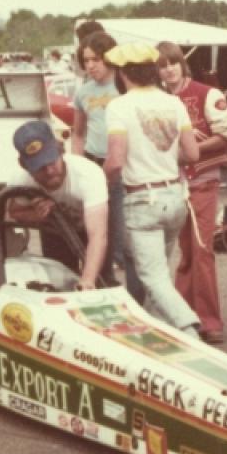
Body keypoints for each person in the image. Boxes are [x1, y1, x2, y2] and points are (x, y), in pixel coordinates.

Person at [102, 42, 202, 337]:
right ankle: (160, 331)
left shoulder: (119, 106)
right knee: (161, 275)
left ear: (123, 74)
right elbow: (192, 153)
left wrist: (101, 178)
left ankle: (188, 328)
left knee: (153, 277)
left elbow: (115, 161)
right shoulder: (174, 103)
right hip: (174, 197)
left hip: (142, 200)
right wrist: (162, 158)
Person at [158, 41, 227, 344]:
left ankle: (210, 321)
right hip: (175, 184)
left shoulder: (208, 94)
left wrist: (190, 151)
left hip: (203, 180)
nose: (168, 70)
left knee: (202, 249)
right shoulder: (158, 100)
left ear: (182, 63)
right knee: (186, 251)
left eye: (172, 63)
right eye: (162, 66)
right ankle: (184, 315)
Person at [6, 119, 111, 289]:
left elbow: (98, 236)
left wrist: (88, 281)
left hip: (91, 225)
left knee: (100, 280)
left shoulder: (88, 174)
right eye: (40, 167)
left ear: (61, 151)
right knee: (58, 281)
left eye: (51, 162)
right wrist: (36, 215)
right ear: (25, 166)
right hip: (57, 231)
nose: (49, 171)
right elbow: (14, 212)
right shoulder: (20, 180)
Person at [72, 31, 137, 300]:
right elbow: (78, 133)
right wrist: (76, 166)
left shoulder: (124, 87)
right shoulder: (83, 92)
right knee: (96, 232)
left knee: (123, 235)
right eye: (86, 61)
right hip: (93, 164)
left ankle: (133, 295)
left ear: (109, 58)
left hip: (121, 167)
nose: (91, 66)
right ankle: (103, 285)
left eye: (96, 59)